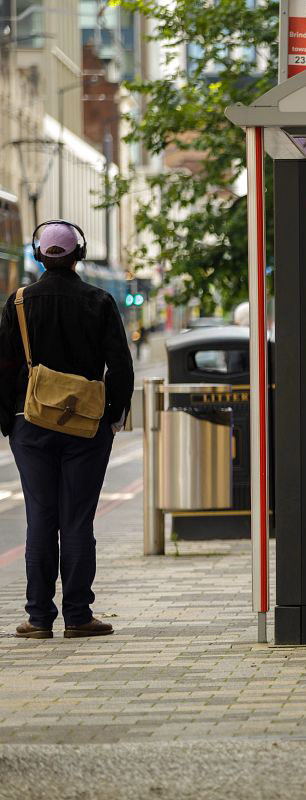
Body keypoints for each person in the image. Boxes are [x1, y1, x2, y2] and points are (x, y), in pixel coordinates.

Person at [0, 221, 134, 639]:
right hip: (86, 427)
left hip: (30, 423)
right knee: (77, 520)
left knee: (40, 518)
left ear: (40, 256)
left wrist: (9, 422)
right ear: (80, 254)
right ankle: (78, 616)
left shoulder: (18, 303)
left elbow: (2, 367)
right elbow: (121, 366)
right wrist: (111, 416)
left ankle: (39, 618)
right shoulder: (99, 301)